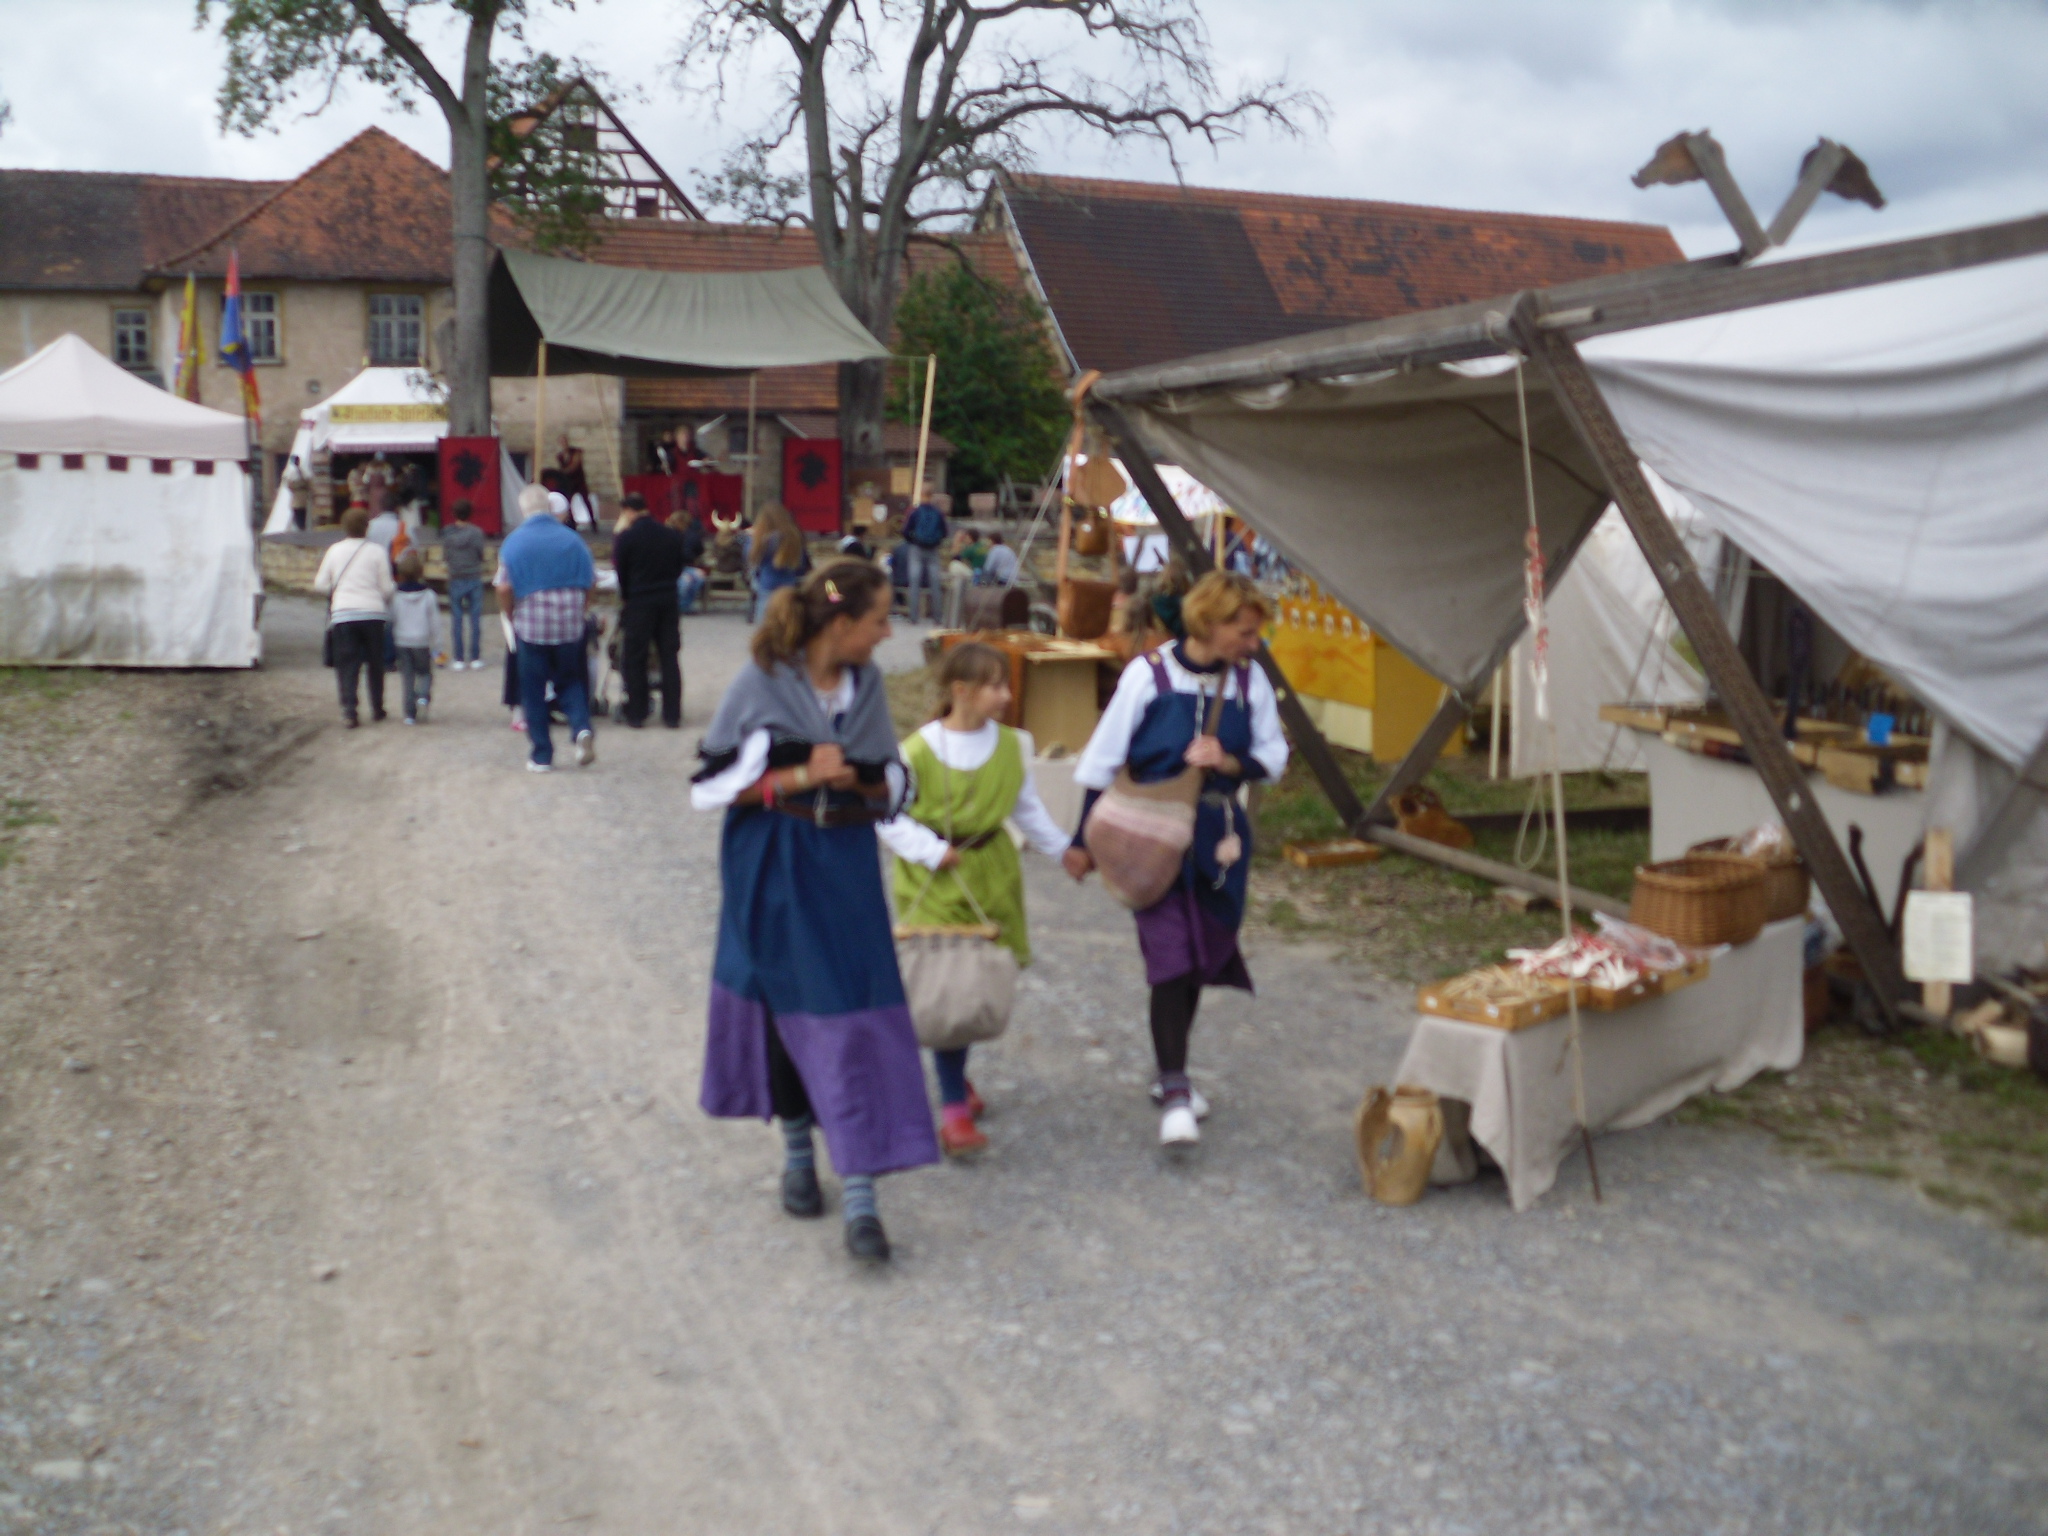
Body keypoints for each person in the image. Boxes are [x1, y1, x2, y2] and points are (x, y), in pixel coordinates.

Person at [691, 561, 932, 1264]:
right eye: (879, 620)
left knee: (854, 1010)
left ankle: (861, 1193)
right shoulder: (763, 683)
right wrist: (798, 775)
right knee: (781, 1007)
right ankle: (799, 1152)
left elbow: (891, 780)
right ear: (840, 623)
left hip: (843, 864)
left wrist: (865, 781)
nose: (887, 633)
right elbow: (710, 788)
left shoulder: (867, 686)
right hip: (770, 859)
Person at [1064, 571, 1288, 1147]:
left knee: (1200, 953)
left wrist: (1229, 761)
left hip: (1219, 840)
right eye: (1244, 631)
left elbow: (1273, 757)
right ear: (1209, 624)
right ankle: (1176, 1088)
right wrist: (1081, 841)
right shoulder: (1148, 675)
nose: (1254, 642)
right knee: (1171, 956)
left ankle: (1171, 1073)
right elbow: (1101, 759)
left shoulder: (1250, 682)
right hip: (1150, 836)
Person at [877, 642, 1071, 1157]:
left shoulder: (1012, 745)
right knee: (949, 988)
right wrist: (931, 850)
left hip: (991, 874)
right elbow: (887, 816)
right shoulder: (916, 751)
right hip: (935, 880)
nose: (1006, 695)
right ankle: (954, 1114)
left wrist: (1066, 852)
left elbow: (1026, 809)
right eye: (994, 686)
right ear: (960, 691)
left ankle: (953, 1076)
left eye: (1005, 684)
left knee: (974, 986)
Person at [495, 484, 597, 773]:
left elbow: (503, 587)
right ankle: (581, 727)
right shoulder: (573, 540)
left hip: (532, 623)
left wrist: (510, 614)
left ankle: (542, 754)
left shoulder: (514, 542)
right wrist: (582, 609)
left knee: (533, 688)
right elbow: (590, 581)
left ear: (523, 510)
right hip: (569, 621)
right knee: (570, 680)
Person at [312, 505, 396, 729]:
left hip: (344, 614)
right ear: (366, 527)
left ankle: (350, 710)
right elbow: (387, 588)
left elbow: (320, 584)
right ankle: (377, 707)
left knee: (347, 663)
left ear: (344, 526)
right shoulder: (377, 551)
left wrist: (337, 590)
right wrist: (381, 596)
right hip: (373, 613)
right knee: (375, 663)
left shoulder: (334, 551)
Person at [611, 492, 686, 729]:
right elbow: (679, 565)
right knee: (669, 656)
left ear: (627, 511)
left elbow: (621, 572)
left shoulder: (627, 537)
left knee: (635, 657)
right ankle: (672, 714)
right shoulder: (670, 534)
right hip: (667, 599)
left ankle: (637, 712)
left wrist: (627, 595)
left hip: (639, 601)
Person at [389, 549, 439, 725]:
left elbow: (391, 617)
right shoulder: (429, 595)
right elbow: (434, 621)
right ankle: (423, 695)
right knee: (424, 672)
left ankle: (409, 714)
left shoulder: (395, 595)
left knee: (407, 677)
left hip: (402, 640)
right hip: (422, 640)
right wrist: (437, 644)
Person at [440, 498, 488, 669]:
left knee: (457, 619)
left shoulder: (447, 533)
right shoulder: (477, 533)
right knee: (475, 619)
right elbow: (480, 553)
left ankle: (458, 658)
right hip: (473, 576)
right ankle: (475, 657)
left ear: (454, 514)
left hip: (455, 577)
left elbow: (445, 555)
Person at [747, 501, 810, 622]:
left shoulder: (763, 541)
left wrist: (750, 538)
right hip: (788, 587)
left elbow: (751, 560)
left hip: (767, 587)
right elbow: (801, 565)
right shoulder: (794, 538)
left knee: (766, 627)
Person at [900, 491, 948, 623]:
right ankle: (937, 617)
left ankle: (914, 617)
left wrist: (912, 540)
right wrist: (936, 541)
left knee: (914, 582)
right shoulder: (938, 513)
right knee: (935, 583)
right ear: (931, 497)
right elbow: (945, 532)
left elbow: (905, 531)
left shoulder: (915, 512)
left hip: (917, 548)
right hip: (933, 549)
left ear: (921, 497)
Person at [555, 434, 594, 528]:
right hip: (569, 482)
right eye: (561, 442)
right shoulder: (560, 456)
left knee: (586, 500)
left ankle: (593, 522)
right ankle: (572, 522)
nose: (563, 443)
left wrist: (564, 471)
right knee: (568, 501)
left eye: (564, 441)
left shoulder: (575, 452)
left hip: (579, 481)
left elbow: (575, 465)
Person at [285, 455, 311, 530]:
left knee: (300, 511)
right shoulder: (297, 470)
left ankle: (301, 526)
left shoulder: (299, 470)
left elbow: (289, 483)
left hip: (299, 494)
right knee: (300, 511)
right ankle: (301, 526)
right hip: (299, 494)